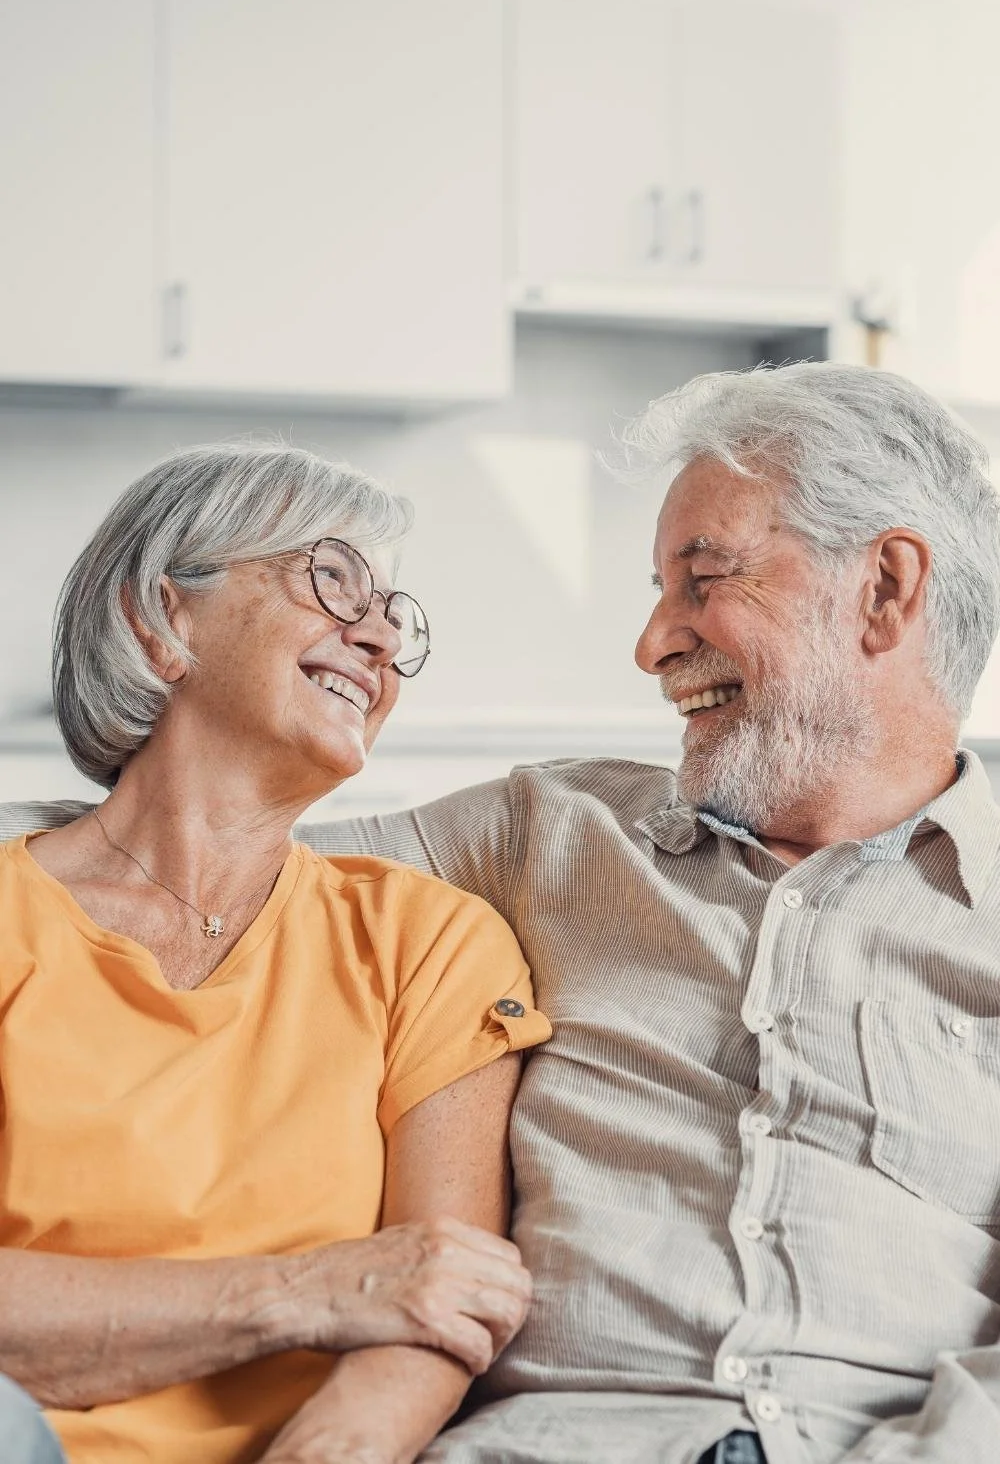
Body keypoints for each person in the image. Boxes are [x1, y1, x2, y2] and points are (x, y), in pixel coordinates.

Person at [5, 361, 1000, 1464]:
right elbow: (198, 844)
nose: (651, 642)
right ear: (162, 618)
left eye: (701, 577)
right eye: (334, 584)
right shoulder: (546, 835)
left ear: (886, 589)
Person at [0, 445, 551, 1464]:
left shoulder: (428, 943)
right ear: (158, 622)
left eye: (396, 613)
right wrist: (317, 1290)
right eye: (333, 577)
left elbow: (445, 1306)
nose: (380, 634)